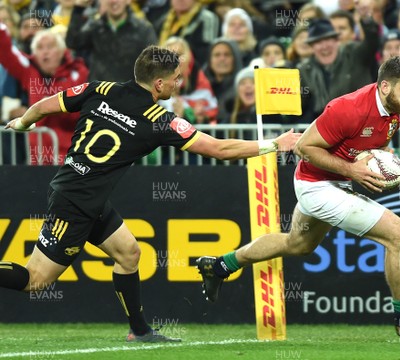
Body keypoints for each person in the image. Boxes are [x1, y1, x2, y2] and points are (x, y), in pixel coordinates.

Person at [0, 45, 300, 342]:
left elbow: (45, 105)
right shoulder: (159, 120)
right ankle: (140, 330)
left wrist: (24, 122)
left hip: (84, 196)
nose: (178, 83)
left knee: (129, 253)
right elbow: (218, 149)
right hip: (75, 203)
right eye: (176, 78)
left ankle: (140, 331)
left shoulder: (100, 88)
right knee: (35, 280)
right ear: (159, 83)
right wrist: (275, 144)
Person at [196, 56, 400, 340]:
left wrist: (377, 158)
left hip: (332, 183)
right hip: (316, 186)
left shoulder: (396, 110)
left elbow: (366, 143)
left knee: (296, 244)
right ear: (384, 87)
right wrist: (353, 169)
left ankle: (218, 265)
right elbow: (304, 148)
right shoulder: (348, 108)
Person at [0, 25, 89, 164]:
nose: (45, 52)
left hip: (72, 159)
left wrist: (49, 106)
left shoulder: (78, 72)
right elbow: (6, 52)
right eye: (40, 48)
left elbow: (80, 112)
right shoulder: (30, 71)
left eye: (50, 47)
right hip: (38, 160)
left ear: (61, 51)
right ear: (34, 54)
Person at [66, 0, 157, 82]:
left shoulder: (143, 29)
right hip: (99, 95)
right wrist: (78, 8)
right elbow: (72, 42)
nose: (114, 1)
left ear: (128, 1)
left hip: (130, 95)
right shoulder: (95, 27)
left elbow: (153, 64)